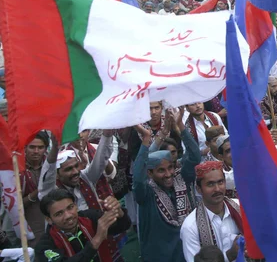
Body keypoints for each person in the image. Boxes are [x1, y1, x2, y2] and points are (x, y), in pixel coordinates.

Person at [133, 108, 202, 262]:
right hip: (160, 255)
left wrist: (180, 126)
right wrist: (146, 140)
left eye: (170, 167)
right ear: (150, 173)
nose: (168, 173)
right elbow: (137, 179)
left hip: (188, 251)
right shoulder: (146, 193)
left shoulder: (182, 177)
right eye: (161, 170)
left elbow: (195, 156)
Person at [35, 189, 131, 262]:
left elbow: (123, 226)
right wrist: (96, 240)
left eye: (70, 207)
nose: (68, 215)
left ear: (76, 206)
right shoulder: (44, 246)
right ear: (49, 219)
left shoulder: (89, 217)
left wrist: (119, 211)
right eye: (59, 214)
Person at [180, 162, 242, 262]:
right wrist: (229, 255)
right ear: (199, 189)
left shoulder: (239, 208)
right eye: (210, 184)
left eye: (220, 182)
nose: (217, 189)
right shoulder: (190, 227)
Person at [21, 132, 50, 245]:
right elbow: (14, 205)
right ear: (25, 147)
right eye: (32, 147)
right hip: (29, 222)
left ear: (46, 148)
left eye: (40, 147)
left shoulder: (52, 166)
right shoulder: (17, 168)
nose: (36, 151)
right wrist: (36, 193)